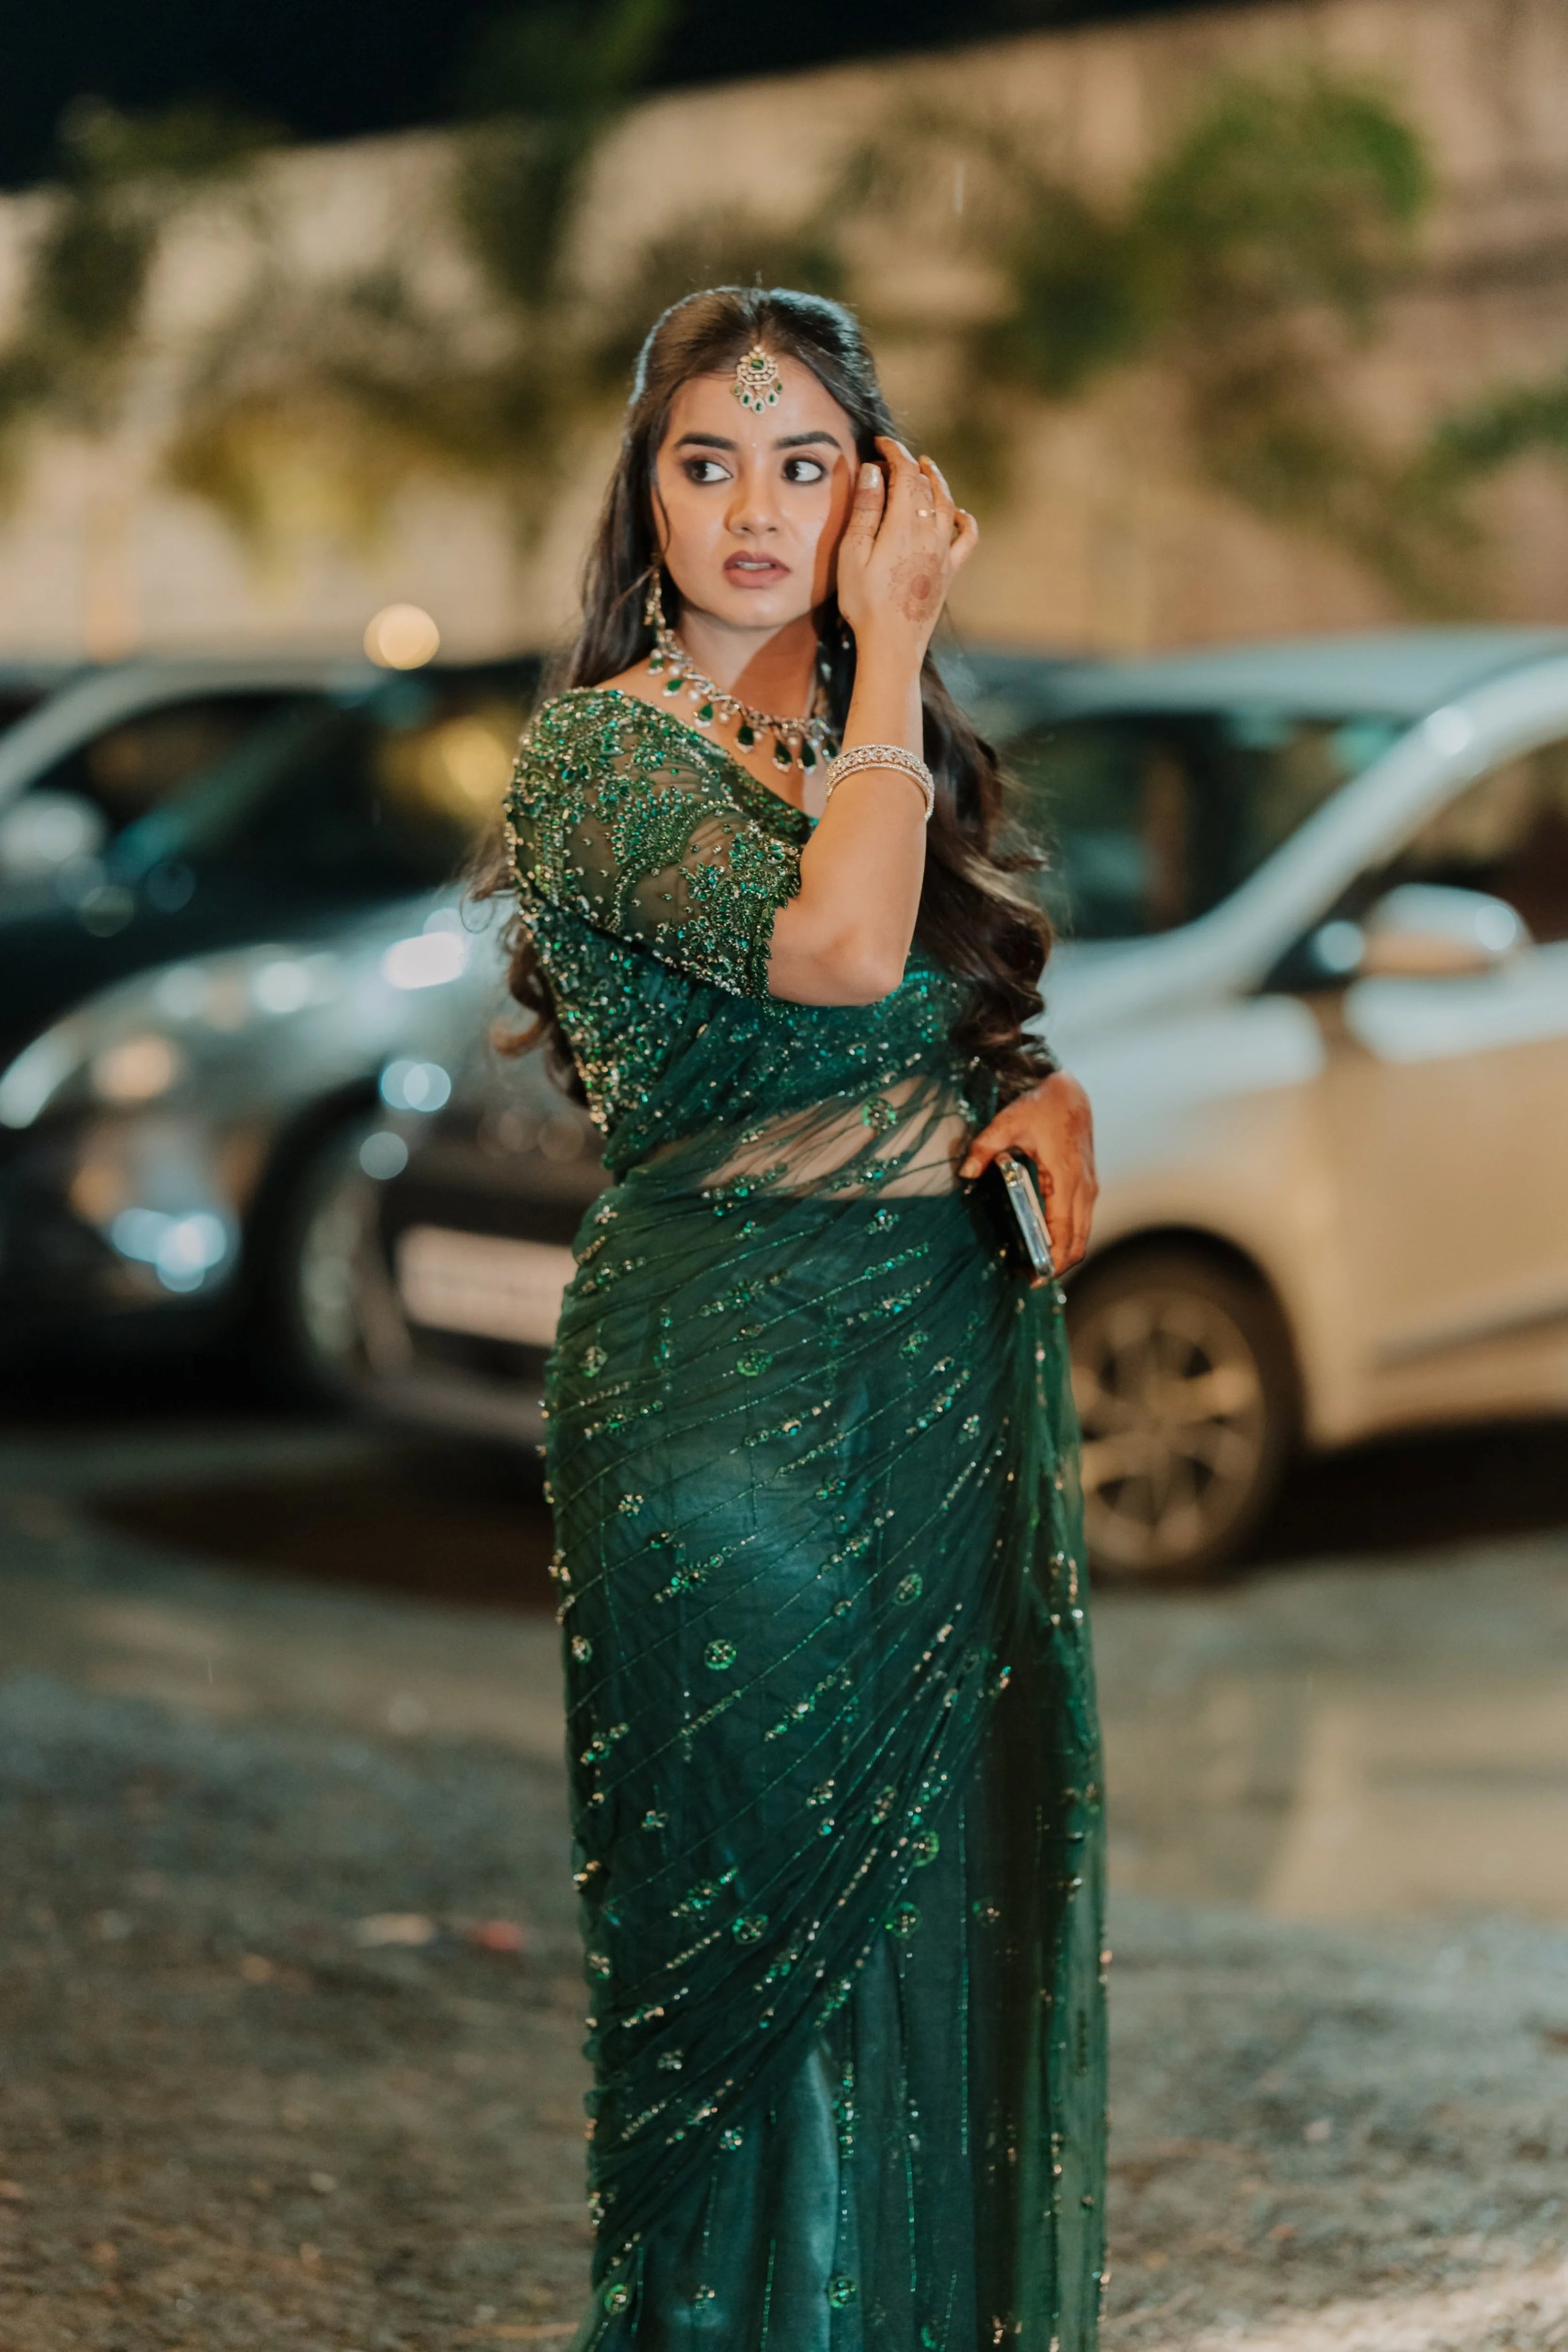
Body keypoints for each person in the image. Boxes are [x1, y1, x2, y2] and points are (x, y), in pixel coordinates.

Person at [490, 286, 1106, 2351]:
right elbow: (838, 952)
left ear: (874, 489)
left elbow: (931, 1011)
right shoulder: (596, 753)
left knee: (914, 1938)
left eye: (805, 461)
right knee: (747, 1967)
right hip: (723, 1416)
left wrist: (1038, 1086)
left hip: (920, 1391)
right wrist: (902, 654)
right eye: (706, 459)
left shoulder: (859, 738)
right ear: (642, 494)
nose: (755, 506)